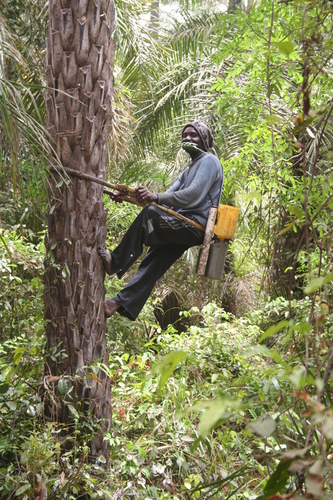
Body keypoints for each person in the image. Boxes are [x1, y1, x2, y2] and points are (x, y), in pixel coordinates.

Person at [98, 121, 224, 320]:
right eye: (185, 135)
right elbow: (164, 197)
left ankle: (115, 262)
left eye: (194, 135)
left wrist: (154, 198)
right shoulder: (190, 169)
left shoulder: (209, 161)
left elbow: (192, 195)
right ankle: (115, 304)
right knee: (153, 262)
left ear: (204, 140)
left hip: (193, 226)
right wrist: (129, 195)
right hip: (182, 225)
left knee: (150, 215)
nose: (188, 139)